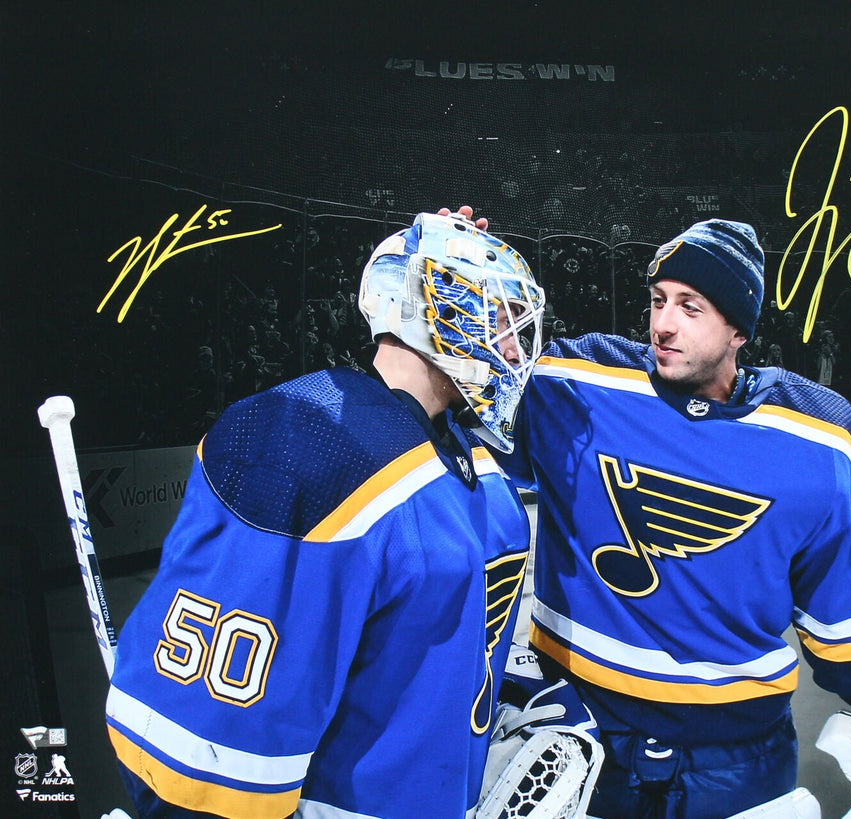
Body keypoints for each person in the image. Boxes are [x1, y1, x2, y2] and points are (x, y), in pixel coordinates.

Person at [104, 211, 547, 819]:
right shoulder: (313, 443)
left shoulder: (470, 457)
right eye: (501, 320)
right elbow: (206, 749)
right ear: (443, 313)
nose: (515, 350)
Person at [501, 219, 851, 818]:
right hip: (575, 742)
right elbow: (466, 397)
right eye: (658, 300)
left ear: (739, 330)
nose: (663, 324)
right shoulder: (575, 382)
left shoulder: (820, 438)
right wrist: (470, 300)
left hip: (738, 762)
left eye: (690, 307)